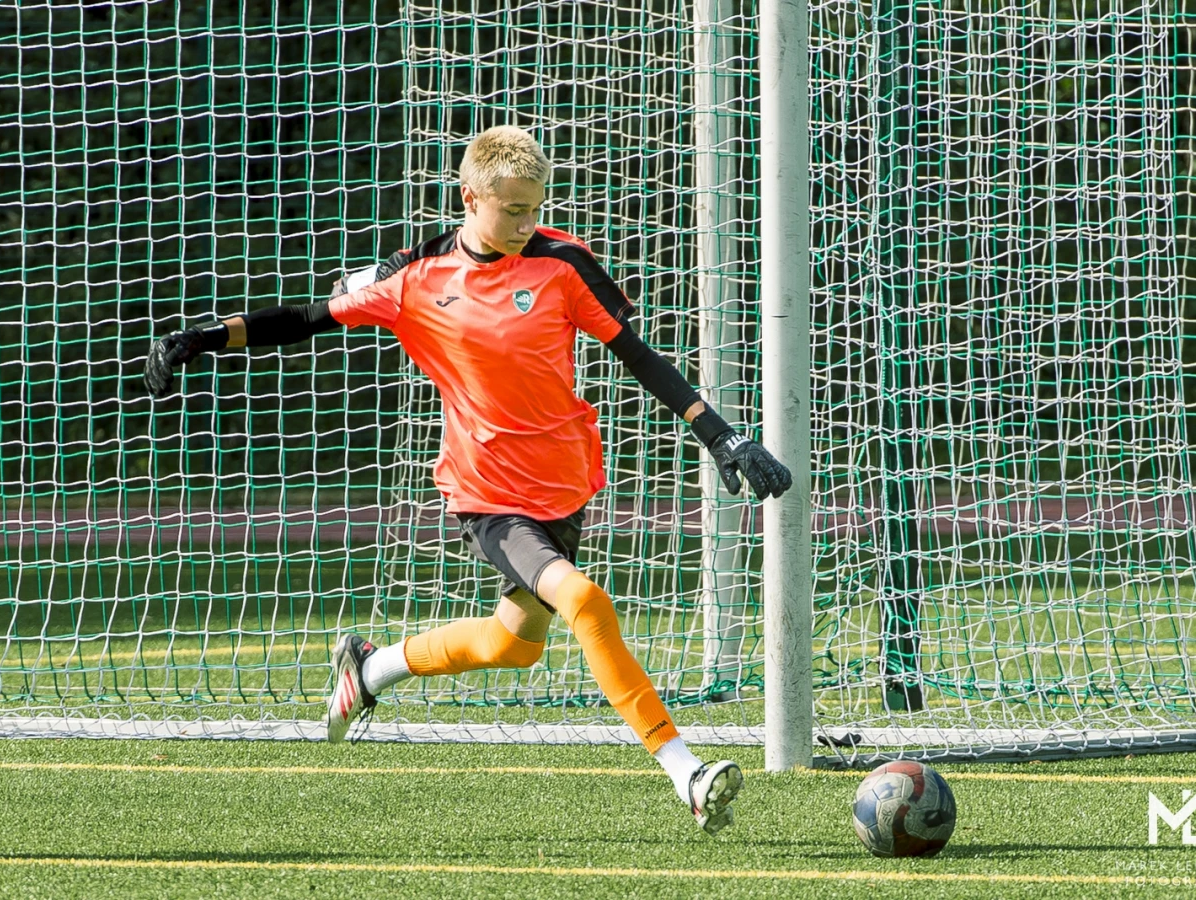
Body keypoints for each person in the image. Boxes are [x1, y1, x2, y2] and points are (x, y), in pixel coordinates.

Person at [144, 125, 792, 836]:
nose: (525, 224)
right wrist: (203, 337)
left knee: (513, 644)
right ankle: (686, 772)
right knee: (585, 601)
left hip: (564, 484)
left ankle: (371, 668)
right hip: (488, 494)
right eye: (511, 210)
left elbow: (637, 355)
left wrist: (719, 433)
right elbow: (304, 318)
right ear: (470, 198)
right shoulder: (418, 281)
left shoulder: (563, 265)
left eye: (534, 209)